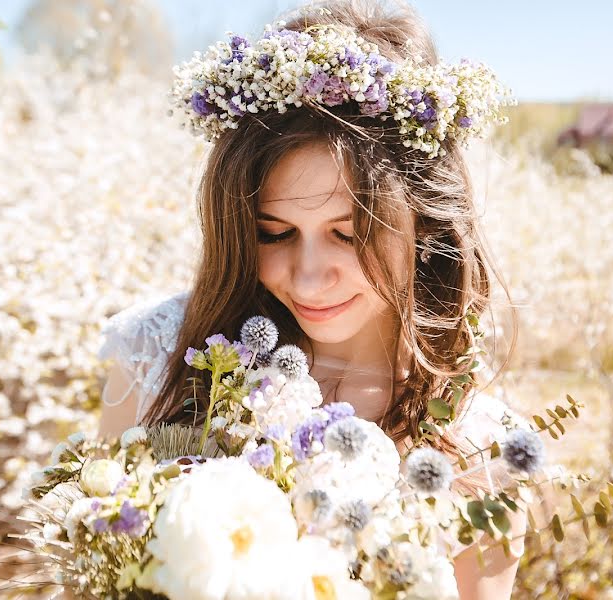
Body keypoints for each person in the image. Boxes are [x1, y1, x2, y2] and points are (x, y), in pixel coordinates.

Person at [98, 0, 528, 597]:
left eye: (349, 233)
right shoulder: (156, 355)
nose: (305, 278)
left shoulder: (483, 448)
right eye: (273, 233)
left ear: (425, 226)